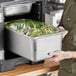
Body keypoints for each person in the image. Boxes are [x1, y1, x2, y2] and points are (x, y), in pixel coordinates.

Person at [48, 0, 76, 76]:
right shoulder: (70, 2)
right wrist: (60, 31)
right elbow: (62, 25)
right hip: (64, 70)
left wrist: (66, 55)